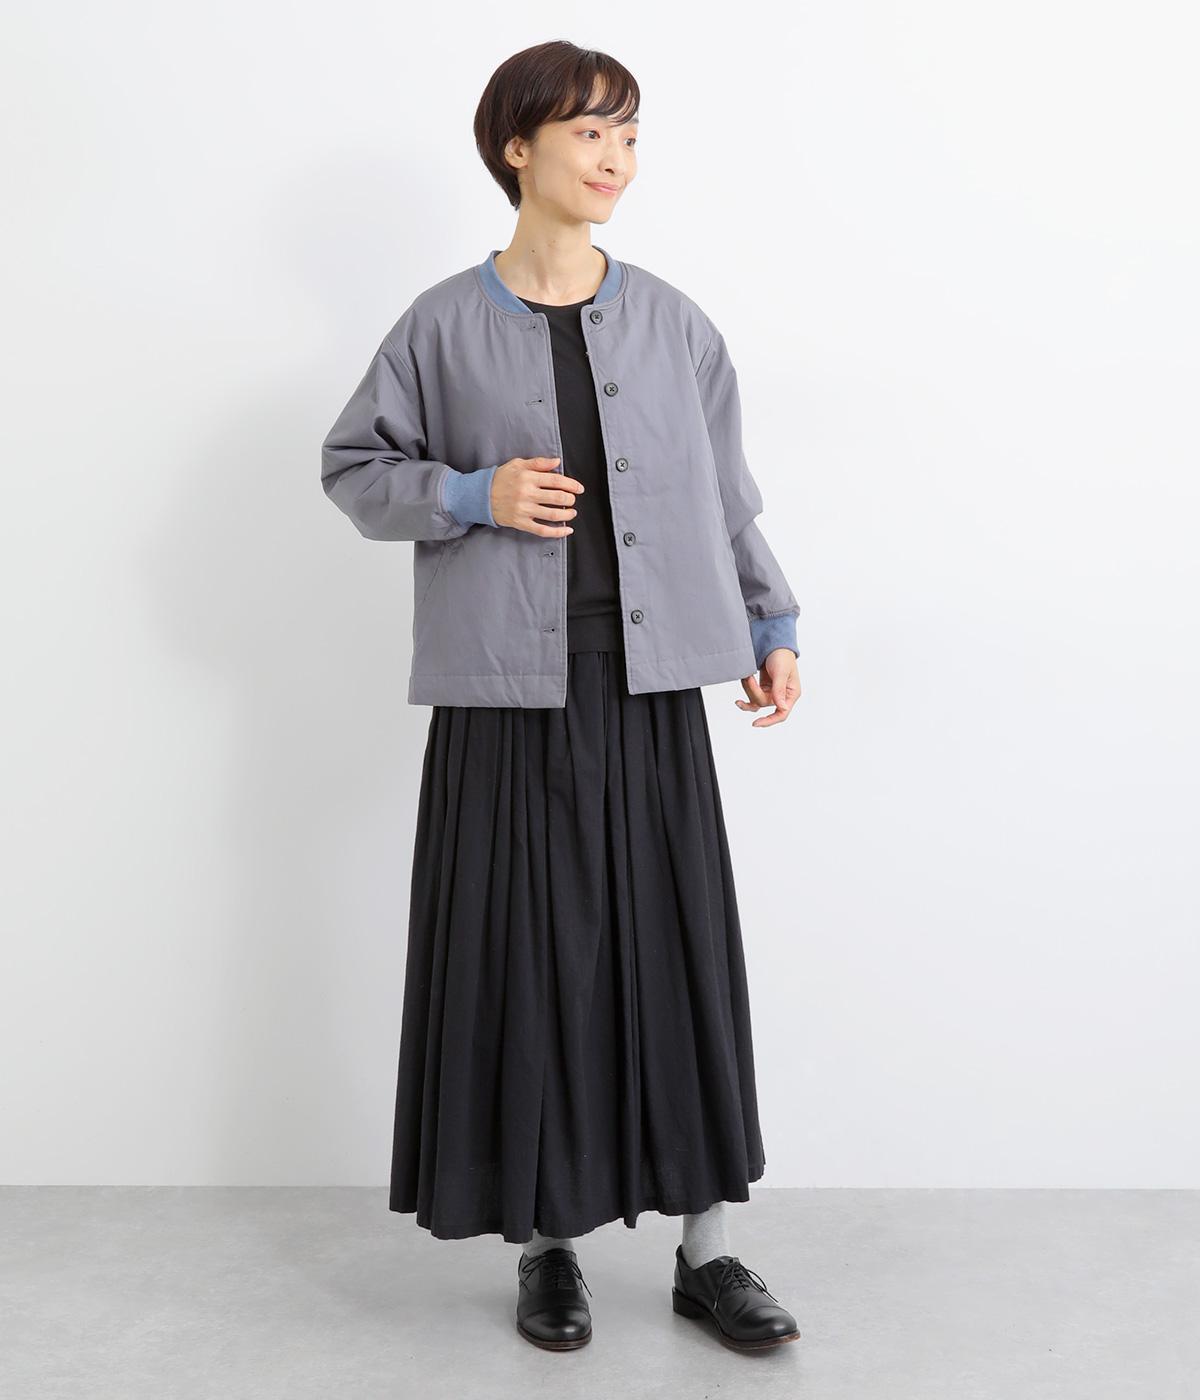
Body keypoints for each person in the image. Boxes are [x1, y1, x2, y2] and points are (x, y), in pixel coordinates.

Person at [320, 39, 803, 1353]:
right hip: (504, 695)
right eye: (591, 132)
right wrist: (471, 494)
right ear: (517, 147)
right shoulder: (437, 325)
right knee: (528, 964)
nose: (615, 159)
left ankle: (709, 1251)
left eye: (629, 135)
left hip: (652, 686)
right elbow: (355, 467)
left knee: (677, 957)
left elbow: (727, 493)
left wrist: (770, 621)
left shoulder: (675, 323)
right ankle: (548, 1247)